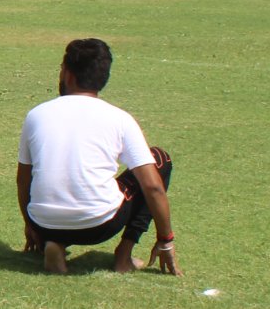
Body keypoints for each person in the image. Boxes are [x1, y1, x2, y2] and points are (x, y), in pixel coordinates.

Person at [17, 37, 178, 276]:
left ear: (68, 74)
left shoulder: (36, 115)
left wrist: (32, 226)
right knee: (160, 159)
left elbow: (23, 180)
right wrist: (166, 240)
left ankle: (55, 243)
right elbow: (153, 187)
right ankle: (124, 255)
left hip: (43, 224)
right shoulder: (120, 119)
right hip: (99, 226)